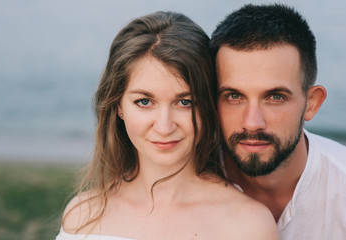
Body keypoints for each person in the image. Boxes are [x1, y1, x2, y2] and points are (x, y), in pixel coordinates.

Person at [55, 11, 279, 240]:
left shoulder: (248, 226)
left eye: (184, 102)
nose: (164, 127)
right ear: (118, 106)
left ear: (207, 104)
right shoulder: (83, 216)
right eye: (144, 102)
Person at [210, 3, 346, 240]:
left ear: (311, 103)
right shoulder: (185, 180)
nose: (252, 123)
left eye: (275, 97)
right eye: (234, 96)